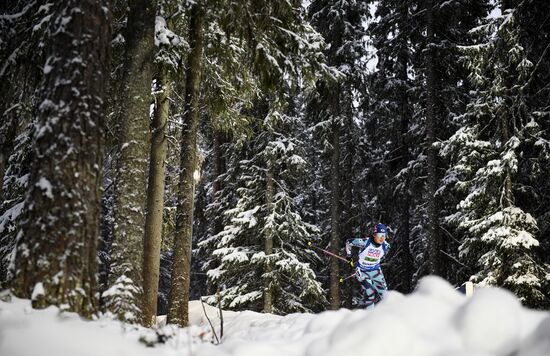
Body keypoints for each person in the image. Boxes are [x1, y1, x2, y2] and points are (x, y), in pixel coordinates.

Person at [345, 223, 391, 309]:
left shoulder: (386, 246)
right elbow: (348, 242)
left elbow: (379, 256)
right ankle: (370, 318)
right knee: (370, 294)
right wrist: (349, 256)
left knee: (385, 295)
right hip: (362, 271)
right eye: (380, 235)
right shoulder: (365, 242)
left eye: (384, 235)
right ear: (374, 234)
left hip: (376, 271)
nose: (382, 238)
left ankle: (390, 317)